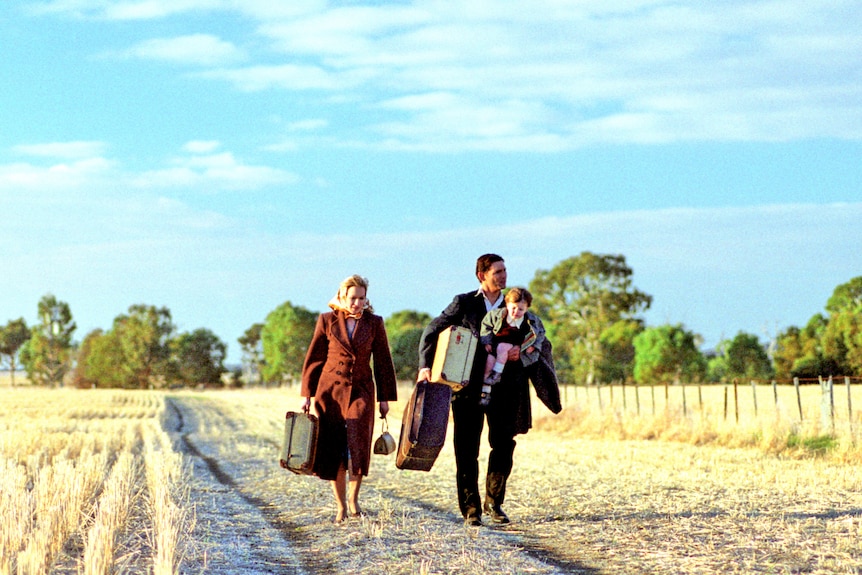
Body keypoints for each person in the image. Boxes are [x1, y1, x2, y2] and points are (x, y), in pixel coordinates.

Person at [417, 254, 533, 527]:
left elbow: (536, 339)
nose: (503, 276)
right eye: (497, 272)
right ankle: (471, 509)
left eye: (505, 271)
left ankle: (495, 502)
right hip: (467, 387)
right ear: (482, 275)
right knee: (466, 449)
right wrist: (425, 366)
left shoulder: (515, 303)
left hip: (505, 388)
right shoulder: (464, 303)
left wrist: (521, 351)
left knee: (504, 444)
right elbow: (432, 330)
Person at [301, 274, 398, 523]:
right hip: (330, 393)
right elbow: (314, 359)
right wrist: (306, 395)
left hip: (361, 391)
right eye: (353, 298)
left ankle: (355, 501)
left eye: (362, 298)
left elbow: (384, 361)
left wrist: (385, 398)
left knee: (356, 446)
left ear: (366, 300)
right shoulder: (326, 320)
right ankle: (341, 507)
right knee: (334, 450)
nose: (357, 303)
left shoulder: (375, 323)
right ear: (343, 296)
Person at [479, 287, 546, 408]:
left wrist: (533, 346)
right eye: (513, 307)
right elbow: (486, 326)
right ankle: (485, 391)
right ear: (507, 304)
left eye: (521, 309)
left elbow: (540, 333)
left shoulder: (531, 322)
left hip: (513, 352)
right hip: (494, 348)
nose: (516, 312)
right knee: (488, 363)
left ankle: (497, 373)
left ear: (527, 308)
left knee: (503, 348)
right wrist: (487, 341)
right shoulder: (496, 315)